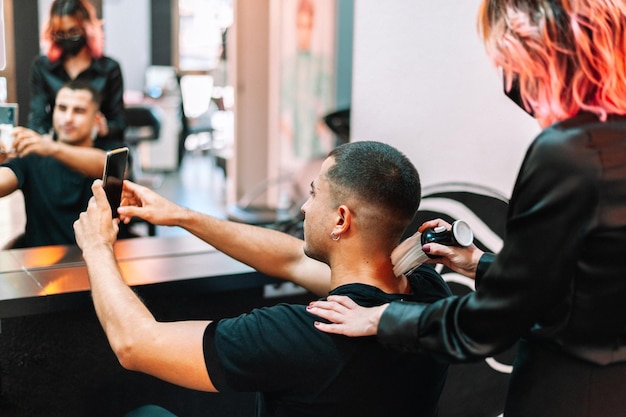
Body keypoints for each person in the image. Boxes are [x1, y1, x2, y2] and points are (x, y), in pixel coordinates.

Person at [307, 1, 626, 416]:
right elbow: (587, 279)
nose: (504, 76)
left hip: (569, 391)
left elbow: (493, 323)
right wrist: (480, 264)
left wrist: (383, 319)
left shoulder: (568, 153)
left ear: (531, 46)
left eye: (502, 57)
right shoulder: (612, 138)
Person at [73, 141, 452, 417]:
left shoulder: (306, 331)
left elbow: (136, 344)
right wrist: (179, 215)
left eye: (312, 193)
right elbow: (289, 258)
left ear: (341, 219)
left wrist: (96, 247)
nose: (304, 207)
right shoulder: (432, 297)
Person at [0, 79, 107, 248]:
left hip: (96, 262)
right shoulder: (33, 156)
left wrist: (51, 147)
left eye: (78, 111)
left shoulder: (109, 153)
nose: (68, 118)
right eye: (62, 108)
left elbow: (106, 165)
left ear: (96, 119)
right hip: (41, 265)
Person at [29, 0, 125, 149]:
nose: (67, 38)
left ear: (87, 29)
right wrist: (41, 139)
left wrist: (105, 128)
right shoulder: (42, 67)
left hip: (98, 147)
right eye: (60, 33)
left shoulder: (109, 69)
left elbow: (119, 124)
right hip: (59, 146)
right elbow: (38, 118)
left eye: (73, 32)